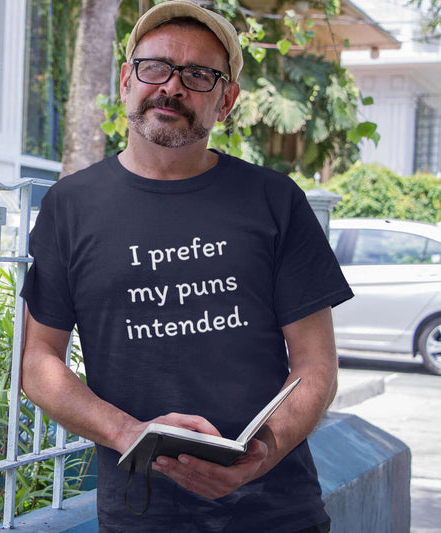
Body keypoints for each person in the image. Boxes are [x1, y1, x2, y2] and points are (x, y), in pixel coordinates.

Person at [20, 1, 353, 531]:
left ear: (227, 101)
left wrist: (262, 451)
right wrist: (129, 432)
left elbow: (316, 365)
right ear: (127, 79)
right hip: (142, 512)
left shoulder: (274, 200)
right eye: (155, 67)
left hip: (278, 511)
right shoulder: (69, 206)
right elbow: (39, 363)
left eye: (199, 75)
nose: (172, 86)